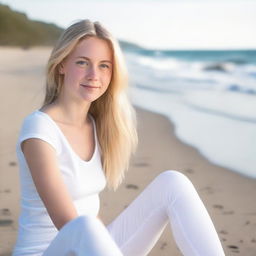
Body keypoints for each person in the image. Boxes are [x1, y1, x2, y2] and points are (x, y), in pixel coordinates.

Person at [12, 19, 225, 256]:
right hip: (48, 251)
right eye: (83, 63)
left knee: (173, 183)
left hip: (87, 247)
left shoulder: (96, 124)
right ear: (62, 64)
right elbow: (69, 226)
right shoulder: (40, 129)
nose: (94, 75)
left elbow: (89, 216)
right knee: (85, 225)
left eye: (104, 66)